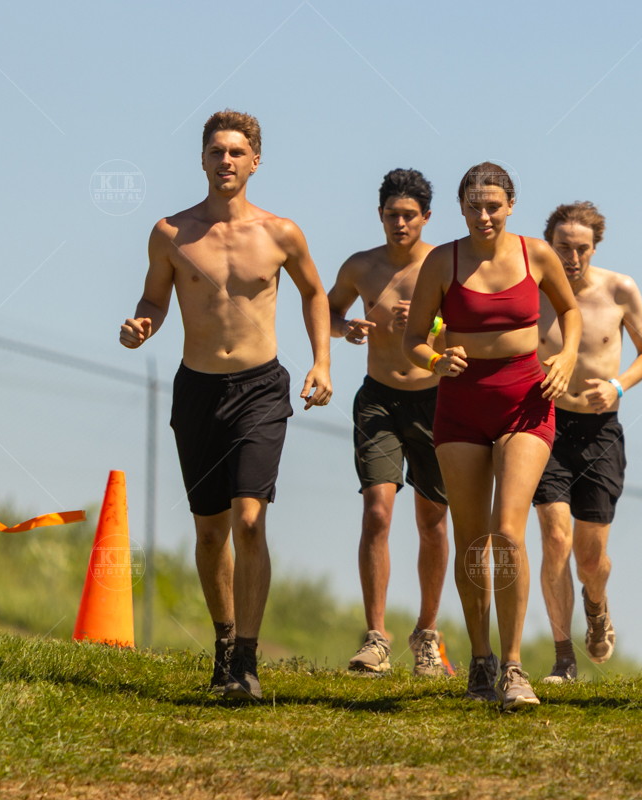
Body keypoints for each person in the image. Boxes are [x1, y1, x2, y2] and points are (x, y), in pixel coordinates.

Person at [120, 109, 332, 700]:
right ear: (203, 159)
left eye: (237, 152)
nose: (226, 161)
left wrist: (322, 361)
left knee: (249, 520)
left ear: (255, 160)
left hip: (261, 389)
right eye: (217, 151)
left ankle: (247, 659)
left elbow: (314, 293)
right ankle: (222, 648)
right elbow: (154, 298)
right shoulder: (171, 233)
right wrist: (143, 324)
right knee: (211, 533)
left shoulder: (280, 232)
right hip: (198, 390)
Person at [403, 162, 581, 710]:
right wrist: (436, 357)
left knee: (508, 533)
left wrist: (568, 356)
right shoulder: (442, 261)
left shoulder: (536, 254)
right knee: (473, 538)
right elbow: (413, 339)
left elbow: (570, 311)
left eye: (494, 206)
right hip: (460, 406)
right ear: (461, 208)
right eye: (475, 206)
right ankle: (479, 659)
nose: (484, 215)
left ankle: (513, 667)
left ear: (510, 207)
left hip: (525, 401)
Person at [327, 168, 451, 677]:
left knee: (432, 521)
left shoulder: (444, 265)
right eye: (391, 215)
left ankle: (426, 634)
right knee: (377, 513)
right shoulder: (361, 266)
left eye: (409, 216)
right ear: (379, 215)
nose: (399, 224)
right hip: (378, 399)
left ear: (426, 218)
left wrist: (429, 326)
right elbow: (327, 311)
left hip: (435, 400)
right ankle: (376, 636)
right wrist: (346, 327)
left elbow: (467, 331)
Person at [532, 201, 642, 682]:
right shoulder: (532, 290)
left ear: (595, 247)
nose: (572, 257)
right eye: (563, 247)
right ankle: (563, 656)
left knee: (590, 559)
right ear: (549, 245)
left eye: (581, 248)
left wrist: (619, 385)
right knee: (555, 539)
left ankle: (597, 602)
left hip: (601, 430)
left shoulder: (619, 289)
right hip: (544, 425)